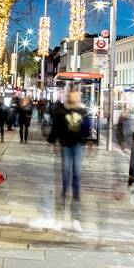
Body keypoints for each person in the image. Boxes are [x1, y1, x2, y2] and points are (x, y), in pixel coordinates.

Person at [48, 88, 94, 231]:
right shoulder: (62, 111)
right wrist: (53, 141)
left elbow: (88, 128)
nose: (74, 99)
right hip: (66, 145)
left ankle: (76, 218)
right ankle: (60, 216)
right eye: (72, 96)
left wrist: (90, 140)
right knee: (65, 177)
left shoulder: (83, 111)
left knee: (77, 177)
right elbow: (56, 127)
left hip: (78, 146)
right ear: (68, 97)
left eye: (76, 96)